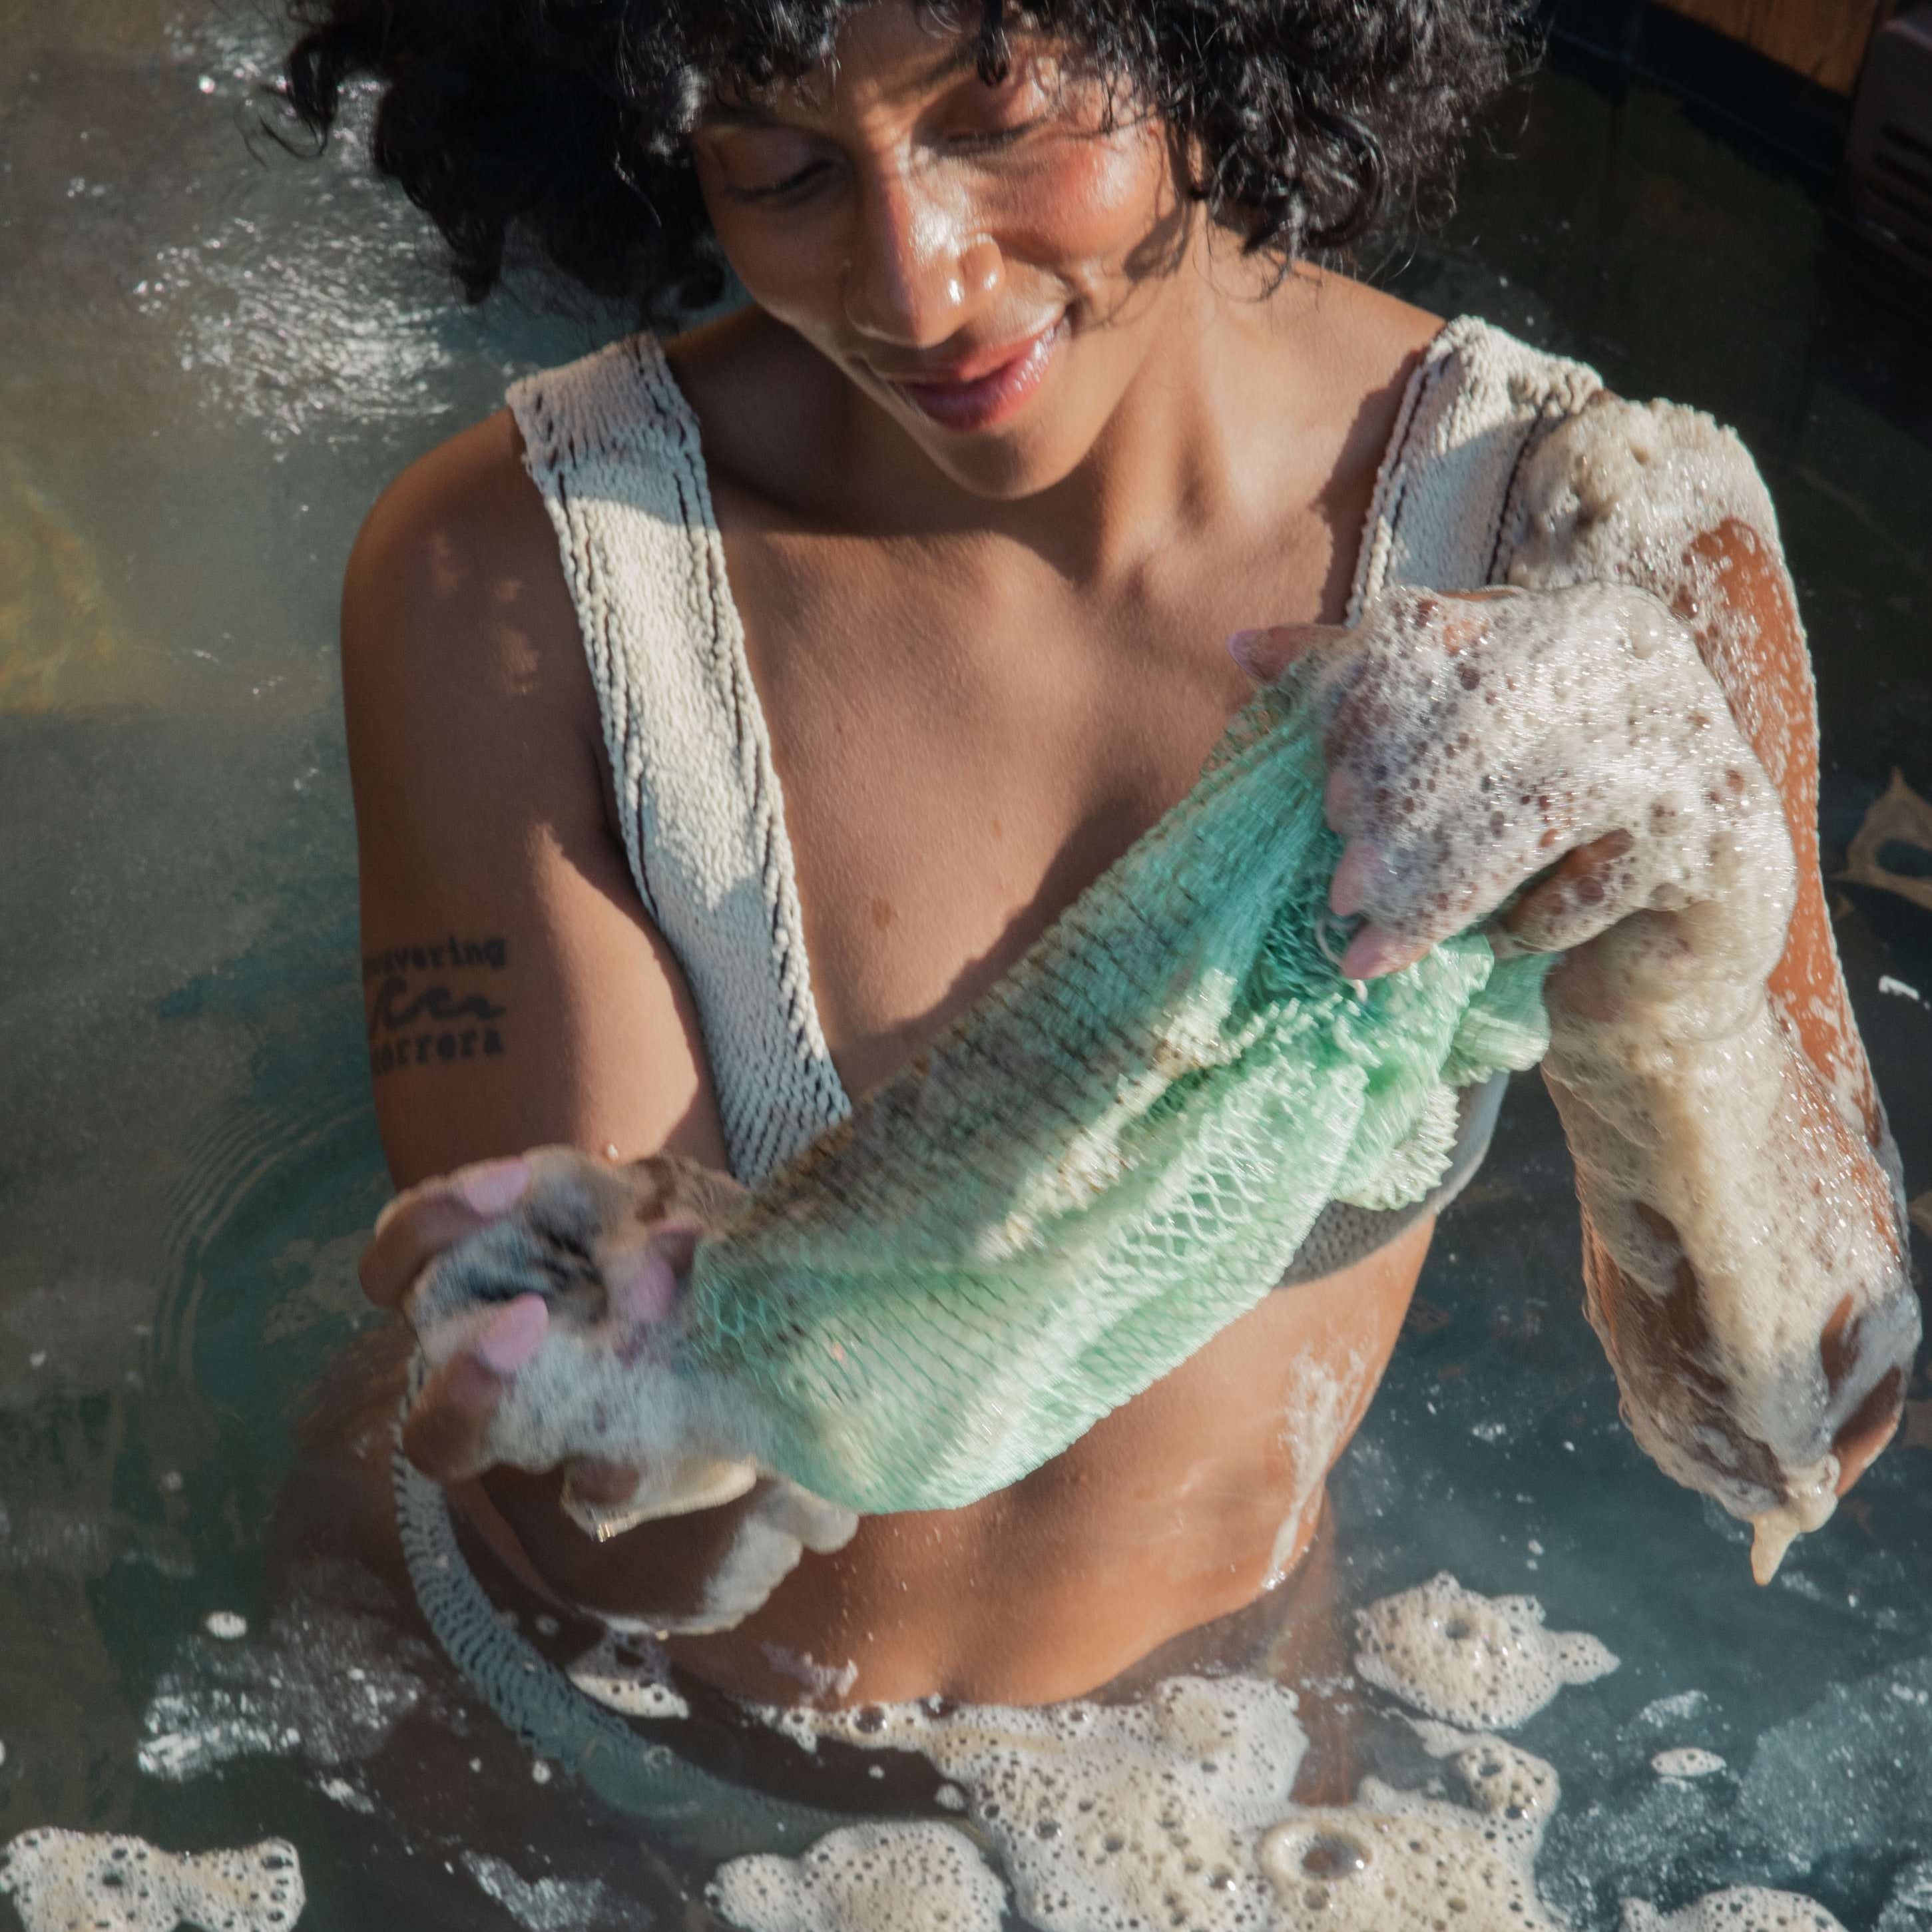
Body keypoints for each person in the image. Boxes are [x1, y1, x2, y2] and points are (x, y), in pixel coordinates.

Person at [284, 0, 1916, 1716]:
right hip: (543, 1740)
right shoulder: (517, 578)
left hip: (1202, 1781)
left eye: (998, 121)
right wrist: (687, 1361)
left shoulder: (1593, 542)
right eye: (782, 165)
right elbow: (602, 1538)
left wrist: (1684, 998)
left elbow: (1789, 1432)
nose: (915, 283)